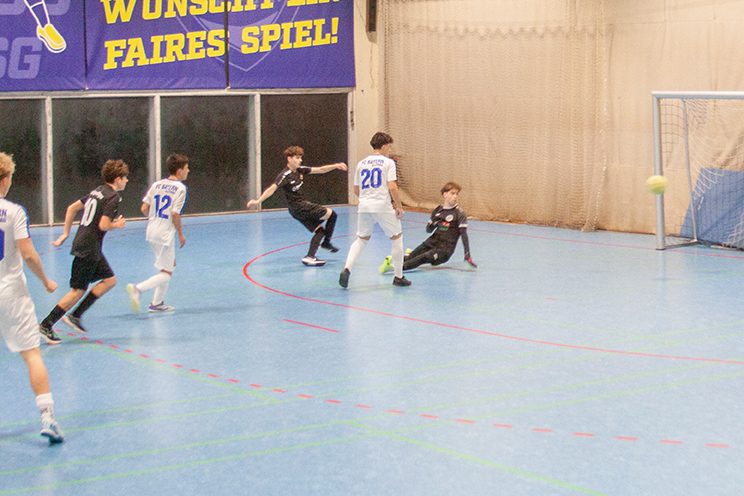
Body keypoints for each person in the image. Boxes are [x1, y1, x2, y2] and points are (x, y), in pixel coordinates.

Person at [0, 152, 64, 443]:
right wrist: (46, 281)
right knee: (32, 354)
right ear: (5, 179)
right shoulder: (14, 212)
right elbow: (28, 254)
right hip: (11, 295)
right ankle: (48, 418)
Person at [38, 159, 129, 341]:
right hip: (89, 247)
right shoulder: (113, 197)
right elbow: (104, 225)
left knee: (110, 280)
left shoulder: (97, 191)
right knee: (77, 291)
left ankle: (76, 315)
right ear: (118, 178)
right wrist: (117, 225)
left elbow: (72, 208)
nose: (127, 181)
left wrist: (65, 233)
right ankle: (46, 325)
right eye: (125, 177)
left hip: (89, 245)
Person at [247, 146, 347, 266]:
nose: (300, 160)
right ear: (289, 159)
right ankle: (326, 243)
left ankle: (310, 257)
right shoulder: (285, 175)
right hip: (299, 207)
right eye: (297, 158)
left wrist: (335, 165)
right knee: (332, 215)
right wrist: (258, 201)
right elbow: (272, 188)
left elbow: (320, 170)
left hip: (297, 210)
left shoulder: (300, 170)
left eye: (300, 158)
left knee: (320, 230)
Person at [339, 132, 411, 288]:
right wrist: (399, 206)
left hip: (364, 206)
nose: (390, 150)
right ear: (384, 146)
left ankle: (347, 268)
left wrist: (367, 199)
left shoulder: (361, 163)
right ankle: (398, 277)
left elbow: (356, 189)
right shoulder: (388, 163)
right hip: (382, 205)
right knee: (397, 237)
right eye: (389, 147)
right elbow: (392, 187)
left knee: (362, 239)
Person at [127, 154, 189, 313]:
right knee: (167, 273)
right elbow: (175, 214)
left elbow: (144, 208)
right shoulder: (181, 188)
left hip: (152, 230)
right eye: (186, 168)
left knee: (167, 267)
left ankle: (156, 303)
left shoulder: (157, 184)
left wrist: (155, 219)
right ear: (179, 170)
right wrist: (180, 234)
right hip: (164, 234)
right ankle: (138, 288)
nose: (188, 171)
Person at [380, 182, 477, 274]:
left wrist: (467, 253)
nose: (455, 196)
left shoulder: (459, 213)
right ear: (445, 194)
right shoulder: (438, 210)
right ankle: (403, 257)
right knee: (411, 257)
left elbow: (464, 234)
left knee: (423, 257)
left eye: (456, 194)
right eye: (452, 193)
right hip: (431, 242)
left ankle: (392, 268)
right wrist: (435, 223)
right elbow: (428, 230)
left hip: (444, 250)